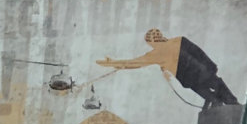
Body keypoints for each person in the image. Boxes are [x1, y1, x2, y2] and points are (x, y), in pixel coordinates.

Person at [98, 29, 239, 110]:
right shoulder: (177, 41)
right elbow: (199, 53)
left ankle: (225, 104)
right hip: (202, 73)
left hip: (198, 76)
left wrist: (114, 63)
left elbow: (135, 63)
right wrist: (211, 66)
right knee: (217, 91)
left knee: (215, 93)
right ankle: (227, 104)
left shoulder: (159, 52)